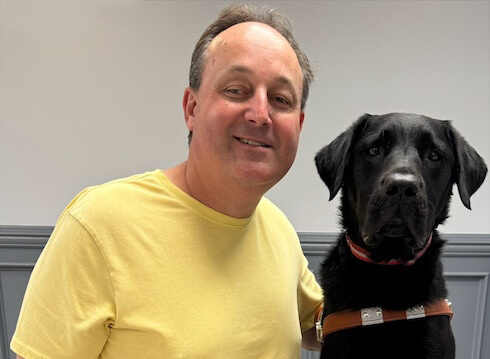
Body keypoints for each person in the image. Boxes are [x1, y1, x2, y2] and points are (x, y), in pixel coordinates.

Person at [11, 3, 323, 358]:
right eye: (237, 90)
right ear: (192, 108)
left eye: (280, 99)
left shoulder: (279, 229)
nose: (260, 114)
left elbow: (317, 326)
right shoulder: (98, 225)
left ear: (297, 126)